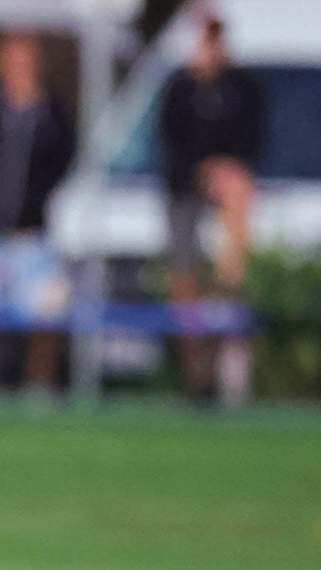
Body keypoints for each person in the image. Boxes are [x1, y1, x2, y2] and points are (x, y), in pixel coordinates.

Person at [0, 30, 75, 401]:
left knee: (43, 315)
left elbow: (62, 165)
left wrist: (35, 206)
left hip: (31, 234)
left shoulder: (52, 114)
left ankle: (37, 390)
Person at [159, 15, 262, 405]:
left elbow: (251, 143)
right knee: (185, 278)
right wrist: (202, 172)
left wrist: (224, 171)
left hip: (226, 195)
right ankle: (196, 369)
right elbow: (170, 142)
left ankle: (227, 357)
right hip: (187, 192)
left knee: (229, 267)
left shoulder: (242, 88)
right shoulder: (179, 88)